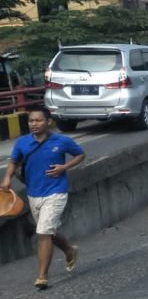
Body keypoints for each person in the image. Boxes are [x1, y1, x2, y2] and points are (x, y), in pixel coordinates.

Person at [1, 106, 85, 289]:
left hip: (56, 192)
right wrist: (7, 178)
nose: (34, 124)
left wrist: (64, 167)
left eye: (38, 120)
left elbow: (80, 154)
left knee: (43, 232)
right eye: (31, 121)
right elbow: (14, 162)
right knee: (48, 232)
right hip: (34, 193)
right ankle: (70, 250)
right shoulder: (22, 143)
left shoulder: (61, 141)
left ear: (48, 122)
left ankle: (42, 277)